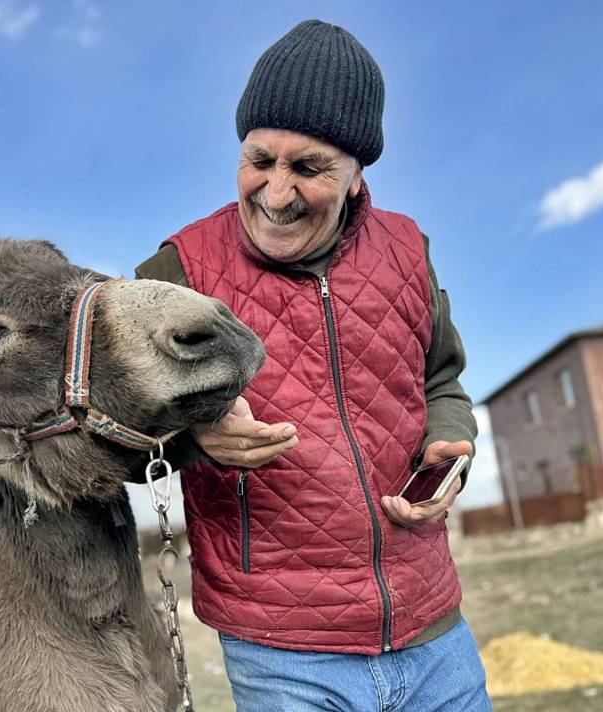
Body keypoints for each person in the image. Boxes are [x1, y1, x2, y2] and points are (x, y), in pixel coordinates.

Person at [135, 19, 492, 711]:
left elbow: (441, 381)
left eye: (307, 169)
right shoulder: (177, 273)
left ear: (357, 174)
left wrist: (453, 441)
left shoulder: (408, 250)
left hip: (433, 630)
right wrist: (194, 435)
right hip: (280, 651)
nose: (275, 194)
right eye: (259, 160)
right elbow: (112, 433)